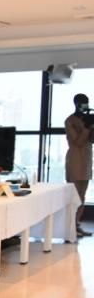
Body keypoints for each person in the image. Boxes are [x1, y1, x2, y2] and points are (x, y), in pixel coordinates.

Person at [65, 93, 92, 237]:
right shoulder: (70, 120)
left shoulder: (87, 118)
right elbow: (78, 141)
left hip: (86, 162)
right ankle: (69, 227)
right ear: (76, 103)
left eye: (87, 102)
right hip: (75, 161)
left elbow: (91, 140)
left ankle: (76, 224)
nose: (85, 105)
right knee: (74, 196)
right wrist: (86, 127)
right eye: (82, 102)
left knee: (82, 196)